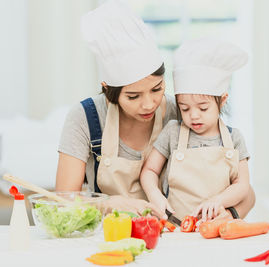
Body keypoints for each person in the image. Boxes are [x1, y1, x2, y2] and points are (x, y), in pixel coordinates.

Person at [55, 0, 175, 218]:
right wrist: (108, 203)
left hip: (172, 236)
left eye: (157, 89)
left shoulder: (180, 113)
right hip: (107, 237)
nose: (149, 104)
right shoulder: (85, 117)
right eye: (133, 96)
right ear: (108, 91)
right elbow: (63, 200)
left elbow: (246, 194)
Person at [140, 38, 254, 221]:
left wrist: (219, 201)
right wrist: (155, 195)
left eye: (203, 108)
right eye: (184, 108)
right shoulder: (172, 132)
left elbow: (242, 185)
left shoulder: (235, 138)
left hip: (217, 226)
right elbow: (149, 171)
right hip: (176, 226)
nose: (193, 115)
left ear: (222, 100)